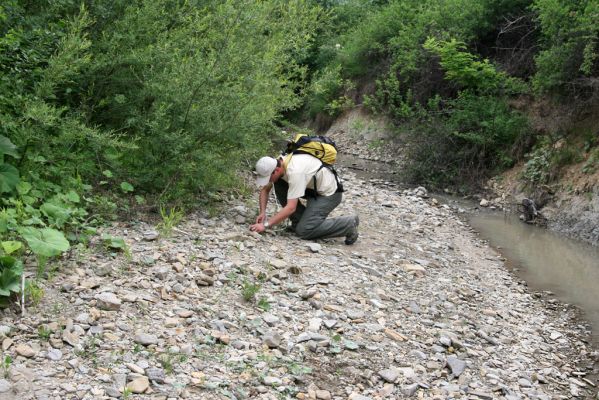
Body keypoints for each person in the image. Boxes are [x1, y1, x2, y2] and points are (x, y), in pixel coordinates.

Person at [249, 153, 359, 244]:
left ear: (276, 170)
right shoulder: (278, 162)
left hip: (329, 193)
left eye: (268, 177)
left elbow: (290, 208)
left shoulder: (295, 171)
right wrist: (262, 212)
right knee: (278, 183)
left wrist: (265, 225)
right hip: (311, 189)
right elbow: (265, 190)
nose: (268, 180)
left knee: (304, 231)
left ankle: (348, 224)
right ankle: (298, 222)